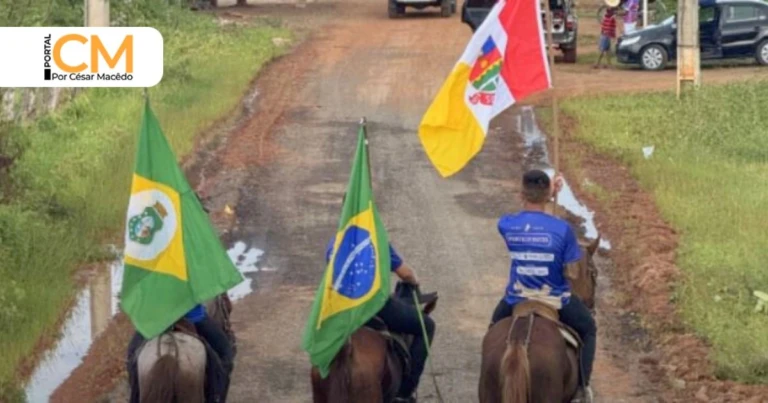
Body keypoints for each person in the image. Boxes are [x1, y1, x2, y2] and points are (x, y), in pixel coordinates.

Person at [489, 169, 597, 403]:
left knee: (493, 329)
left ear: (521, 194)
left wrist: (547, 194)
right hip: (555, 299)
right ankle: (582, 389)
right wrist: (551, 197)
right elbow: (571, 269)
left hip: (516, 298)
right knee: (589, 329)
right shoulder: (563, 229)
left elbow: (522, 217)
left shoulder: (506, 224)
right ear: (547, 195)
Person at [324, 239, 435, 403]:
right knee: (427, 326)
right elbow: (405, 274)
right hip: (373, 306)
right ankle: (404, 393)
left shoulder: (335, 242)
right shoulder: (375, 239)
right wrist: (414, 280)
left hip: (343, 309)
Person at [126, 303, 235, 403]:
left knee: (131, 356)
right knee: (225, 352)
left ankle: (135, 395)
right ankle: (217, 397)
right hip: (192, 315)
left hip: (156, 318)